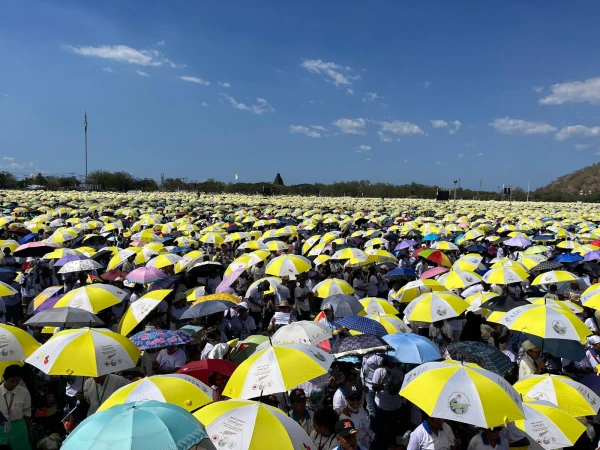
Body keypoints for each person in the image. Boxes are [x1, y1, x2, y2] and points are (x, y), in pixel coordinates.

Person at [371, 357, 404, 450]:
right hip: (382, 406)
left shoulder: (400, 372)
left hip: (396, 406)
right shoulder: (379, 371)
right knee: (382, 431)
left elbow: (401, 388)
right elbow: (373, 386)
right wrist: (380, 386)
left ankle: (392, 446)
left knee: (393, 430)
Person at [0, 365, 32, 450]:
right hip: (1, 429)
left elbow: (27, 412)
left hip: (19, 427)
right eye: (12, 380)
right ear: (5, 379)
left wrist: (30, 430)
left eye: (18, 380)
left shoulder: (24, 392)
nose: (15, 383)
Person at [340, 386, 374, 450]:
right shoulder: (345, 417)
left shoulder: (361, 407)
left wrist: (364, 392)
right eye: (352, 399)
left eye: (357, 398)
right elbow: (349, 436)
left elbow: (361, 402)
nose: (355, 401)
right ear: (346, 399)